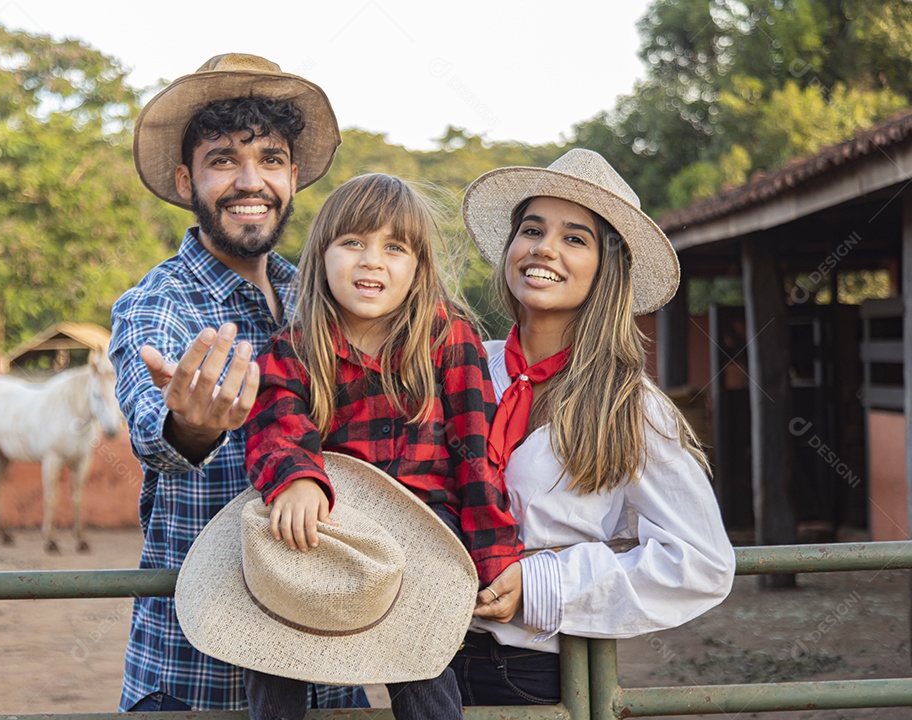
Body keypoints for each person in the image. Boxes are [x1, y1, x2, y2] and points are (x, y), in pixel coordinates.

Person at [108, 53, 366, 712]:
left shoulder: (323, 296)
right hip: (197, 681)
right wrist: (192, 423)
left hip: (330, 666)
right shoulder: (159, 303)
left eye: (271, 160)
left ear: (294, 175)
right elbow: (155, 432)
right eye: (224, 159)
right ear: (185, 177)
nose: (252, 181)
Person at [454, 149, 737, 705]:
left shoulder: (629, 407)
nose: (544, 248)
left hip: (532, 673)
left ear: (606, 269)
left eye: (574, 238)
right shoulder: (457, 369)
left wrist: (540, 586)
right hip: (426, 663)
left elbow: (702, 563)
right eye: (531, 229)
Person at [241, 173, 526, 720]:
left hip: (422, 533)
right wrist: (296, 476)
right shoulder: (295, 346)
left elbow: (477, 455)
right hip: (324, 529)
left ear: (418, 268)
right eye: (353, 243)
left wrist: (495, 555)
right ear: (321, 256)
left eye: (394, 248)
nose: (372, 260)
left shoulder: (447, 338)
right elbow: (275, 419)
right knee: (270, 646)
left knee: (422, 672)